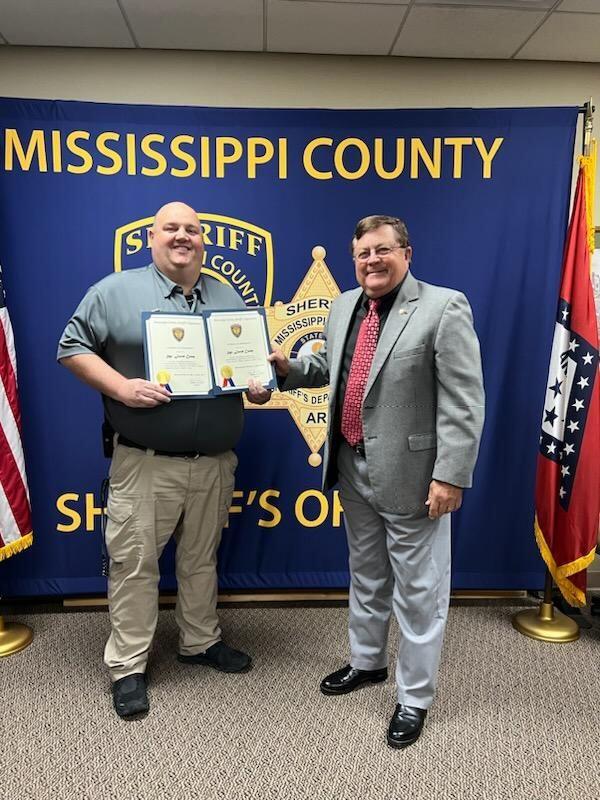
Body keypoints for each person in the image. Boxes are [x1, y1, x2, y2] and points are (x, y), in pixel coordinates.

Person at [248, 215, 484, 748]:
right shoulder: (343, 305)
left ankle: (415, 696)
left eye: (382, 250)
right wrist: (289, 369)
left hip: (414, 475)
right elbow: (334, 364)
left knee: (421, 594)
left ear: (407, 252)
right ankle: (367, 662)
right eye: (362, 253)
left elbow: (465, 403)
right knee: (368, 576)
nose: (371, 261)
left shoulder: (444, 307)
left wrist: (450, 475)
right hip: (352, 466)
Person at [58, 201, 252, 719]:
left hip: (213, 461)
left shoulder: (226, 294)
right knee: (134, 564)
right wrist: (120, 387)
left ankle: (199, 641)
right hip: (145, 463)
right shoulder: (115, 291)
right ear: (152, 237)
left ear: (203, 240)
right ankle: (128, 666)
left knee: (200, 558)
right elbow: (70, 346)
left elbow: (244, 363)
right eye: (172, 229)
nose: (182, 237)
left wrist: (256, 382)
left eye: (192, 230)